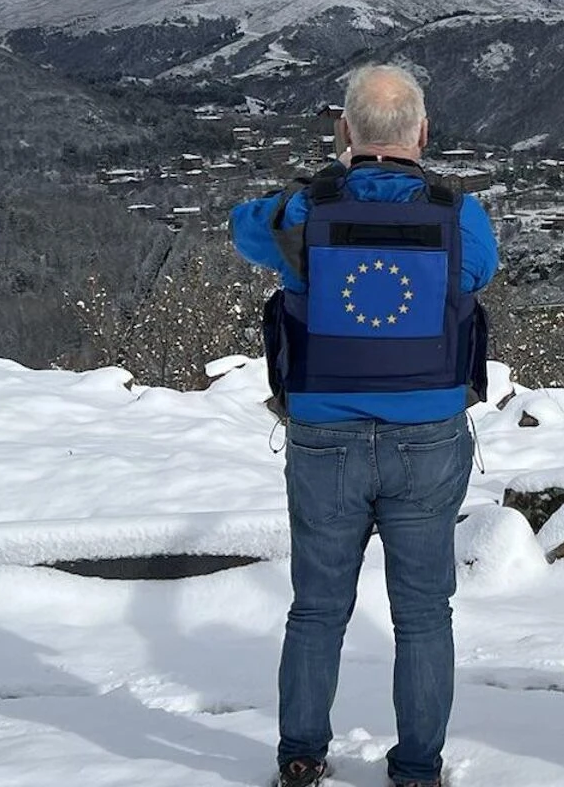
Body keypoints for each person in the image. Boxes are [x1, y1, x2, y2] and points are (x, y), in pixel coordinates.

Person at [232, 64, 499, 787]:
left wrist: (326, 181)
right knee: (424, 613)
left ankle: (300, 756)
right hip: (429, 434)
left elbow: (243, 228)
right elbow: (477, 276)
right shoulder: (459, 213)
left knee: (317, 609)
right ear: (424, 132)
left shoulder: (302, 211)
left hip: (324, 434)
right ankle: (417, 768)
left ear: (345, 130)